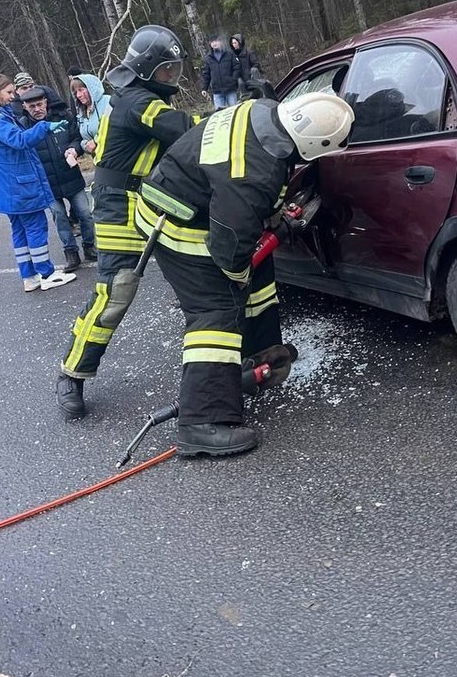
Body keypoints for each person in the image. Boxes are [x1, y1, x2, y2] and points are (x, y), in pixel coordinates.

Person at [135, 91, 354, 458]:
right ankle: (200, 423)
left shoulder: (264, 111)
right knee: (217, 310)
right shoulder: (253, 174)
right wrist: (238, 275)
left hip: (196, 204)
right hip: (175, 226)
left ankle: (259, 357)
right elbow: (230, 252)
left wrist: (272, 225)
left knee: (258, 285)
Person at [57, 25, 199, 419]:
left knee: (200, 269)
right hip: (119, 205)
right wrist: (237, 118)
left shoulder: (137, 97)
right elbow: (186, 130)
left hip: (151, 200)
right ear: (147, 69)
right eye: (167, 71)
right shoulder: (138, 103)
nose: (172, 78)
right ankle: (72, 372)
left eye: (175, 70)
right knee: (116, 289)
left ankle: (221, 357)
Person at [0, 75, 77, 292]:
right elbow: (19, 141)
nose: (12, 97)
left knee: (18, 229)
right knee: (35, 225)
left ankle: (29, 276)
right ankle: (46, 274)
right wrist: (43, 127)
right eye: (8, 92)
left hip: (4, 186)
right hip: (18, 183)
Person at [18, 87, 96, 271]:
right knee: (60, 217)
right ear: (25, 107)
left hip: (71, 176)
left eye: (39, 104)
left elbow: (77, 138)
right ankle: (71, 252)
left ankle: (90, 246)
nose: (36, 109)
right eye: (31, 106)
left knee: (85, 213)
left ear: (46, 102)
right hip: (46, 183)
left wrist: (74, 149)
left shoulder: (62, 117)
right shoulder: (24, 127)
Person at [71, 73, 111, 155]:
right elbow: (83, 138)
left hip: (118, 154)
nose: (78, 95)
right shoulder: (81, 113)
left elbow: (115, 127)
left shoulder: (107, 102)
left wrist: (96, 141)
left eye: (81, 90)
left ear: (91, 88)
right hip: (100, 161)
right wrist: (85, 145)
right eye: (75, 93)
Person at [200, 34, 240, 110]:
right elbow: (206, 74)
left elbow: (237, 68)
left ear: (220, 42)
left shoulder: (229, 54)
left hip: (230, 89)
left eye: (216, 41)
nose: (214, 44)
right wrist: (204, 88)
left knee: (234, 111)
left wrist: (233, 80)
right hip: (217, 91)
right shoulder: (208, 58)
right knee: (219, 115)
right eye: (212, 42)